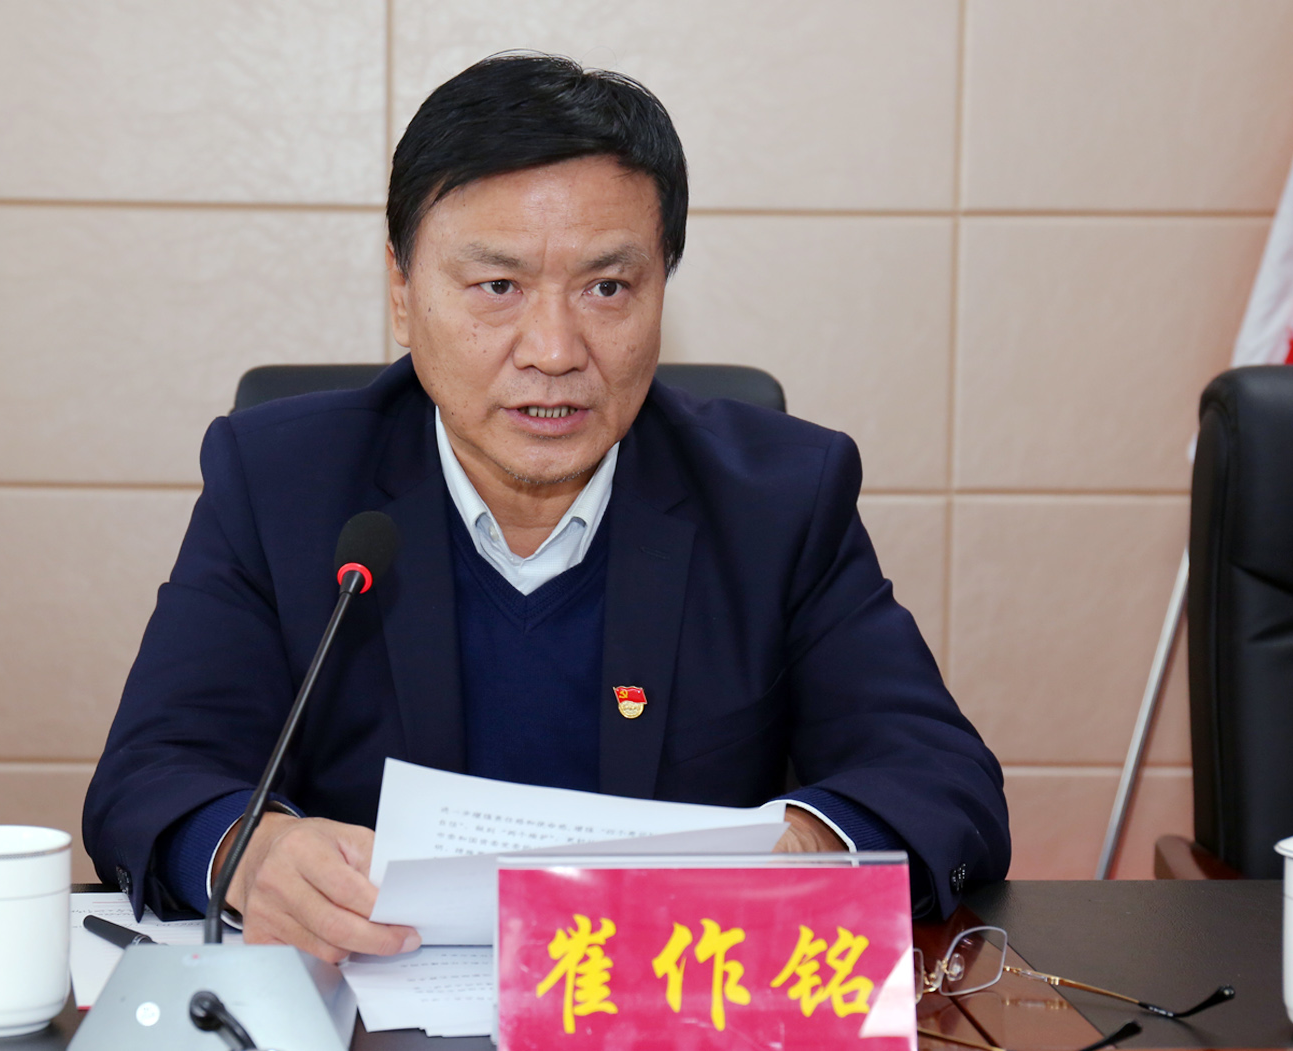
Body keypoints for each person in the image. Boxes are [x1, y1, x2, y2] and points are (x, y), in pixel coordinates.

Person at [84, 53, 1009, 965]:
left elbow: (941, 779)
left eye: (607, 288)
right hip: (371, 1001)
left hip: (667, 1007)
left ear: (661, 290)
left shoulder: (778, 498)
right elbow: (150, 775)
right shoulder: (282, 481)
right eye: (499, 287)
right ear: (403, 294)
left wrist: (808, 845)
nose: (555, 350)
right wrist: (253, 855)